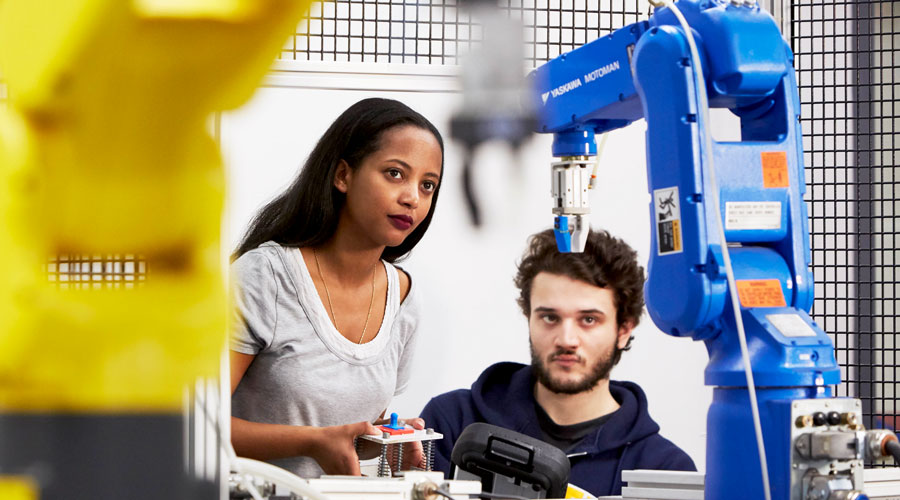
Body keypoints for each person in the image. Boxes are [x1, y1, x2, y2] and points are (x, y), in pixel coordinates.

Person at [229, 98, 443, 478]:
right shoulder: (264, 277)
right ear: (342, 175)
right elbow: (194, 427)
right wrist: (311, 441)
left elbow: (352, 428)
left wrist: (387, 439)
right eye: (395, 174)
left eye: (428, 185)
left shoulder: (405, 297)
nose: (412, 197)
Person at [420, 229, 695, 496]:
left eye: (588, 320)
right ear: (529, 318)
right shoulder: (452, 424)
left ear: (623, 330)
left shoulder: (664, 470)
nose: (566, 339)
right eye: (550, 317)